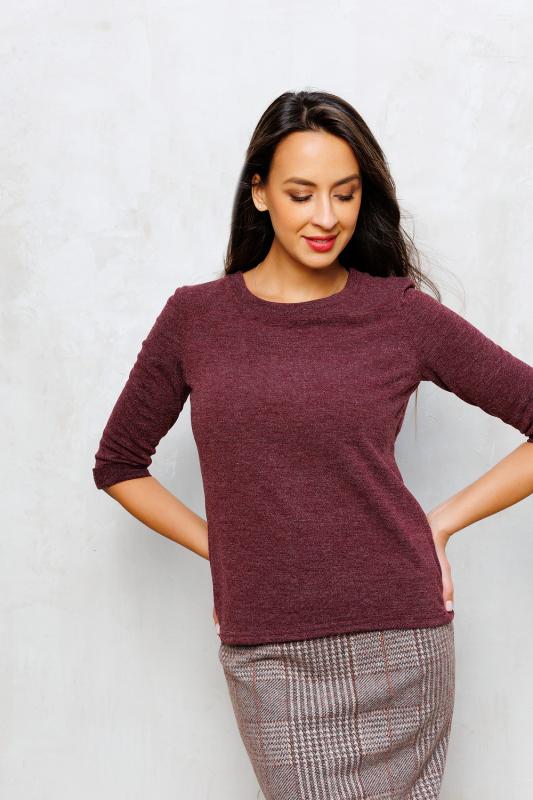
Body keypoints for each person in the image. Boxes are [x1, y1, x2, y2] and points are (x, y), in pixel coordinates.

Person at [92, 89, 533, 799]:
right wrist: (225, 549)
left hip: (400, 639)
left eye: (345, 194)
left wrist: (441, 524)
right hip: (267, 650)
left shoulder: (397, 315)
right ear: (259, 193)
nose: (326, 217)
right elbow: (118, 465)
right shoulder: (195, 319)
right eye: (301, 194)